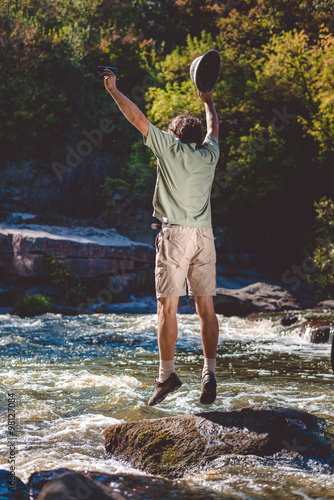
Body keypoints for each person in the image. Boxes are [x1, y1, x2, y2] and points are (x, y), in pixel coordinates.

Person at [103, 68, 219, 406]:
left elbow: (136, 117)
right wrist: (208, 101)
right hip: (205, 236)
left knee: (167, 307)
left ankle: (166, 375)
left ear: (174, 136)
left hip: (175, 236)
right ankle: (208, 371)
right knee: (206, 306)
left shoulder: (170, 148)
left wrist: (113, 88)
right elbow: (213, 127)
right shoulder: (208, 155)